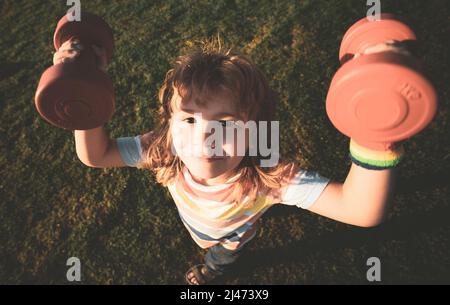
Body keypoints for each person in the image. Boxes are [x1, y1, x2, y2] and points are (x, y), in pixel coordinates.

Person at [54, 37, 404, 285]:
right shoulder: (165, 149)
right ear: (169, 125)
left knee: (222, 258)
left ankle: (212, 273)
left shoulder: (270, 175)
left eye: (225, 123)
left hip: (234, 236)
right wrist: (82, 86)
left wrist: (376, 130)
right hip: (197, 225)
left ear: (256, 130)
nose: (204, 137)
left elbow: (362, 210)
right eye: (189, 119)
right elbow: (96, 155)